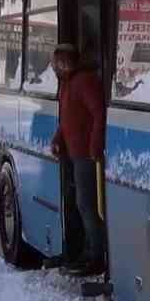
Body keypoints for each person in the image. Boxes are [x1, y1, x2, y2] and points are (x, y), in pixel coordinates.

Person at [49, 44, 107, 276]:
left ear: (65, 62)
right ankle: (79, 251)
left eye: (56, 63)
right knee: (75, 204)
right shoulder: (66, 83)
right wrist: (58, 138)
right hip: (72, 153)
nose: (53, 67)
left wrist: (94, 147)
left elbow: (98, 113)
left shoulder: (85, 81)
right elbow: (66, 119)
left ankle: (96, 256)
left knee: (87, 205)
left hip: (86, 155)